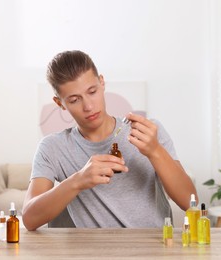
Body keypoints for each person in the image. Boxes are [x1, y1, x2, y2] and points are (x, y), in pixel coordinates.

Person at [22, 50, 197, 230]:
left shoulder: (148, 131)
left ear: (102, 82)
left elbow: (190, 202)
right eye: (74, 100)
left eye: (92, 91)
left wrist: (155, 150)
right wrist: (78, 181)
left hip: (153, 249)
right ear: (59, 103)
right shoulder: (53, 148)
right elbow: (29, 219)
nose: (88, 106)